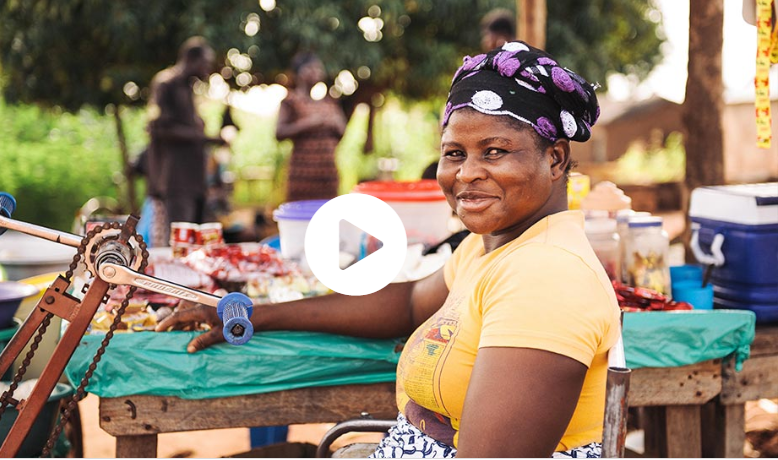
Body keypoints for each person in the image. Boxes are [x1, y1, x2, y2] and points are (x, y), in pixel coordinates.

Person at [157, 42, 619, 458]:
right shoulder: (495, 248)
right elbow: (408, 301)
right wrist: (254, 312)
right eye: (455, 153)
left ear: (555, 158)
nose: (467, 173)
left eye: (495, 151)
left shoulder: (546, 276)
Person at [147, 36, 226, 228]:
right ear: (192, 59)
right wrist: (206, 138)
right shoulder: (166, 84)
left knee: (194, 238)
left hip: (194, 181)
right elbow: (159, 129)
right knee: (180, 239)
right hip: (175, 180)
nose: (207, 70)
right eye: (205, 64)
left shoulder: (188, 87)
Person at [275, 52, 347, 202]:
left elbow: (342, 131)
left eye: (318, 68)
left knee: (327, 218)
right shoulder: (291, 101)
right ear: (299, 73)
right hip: (302, 177)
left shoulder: (329, 102)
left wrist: (335, 123)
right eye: (311, 68)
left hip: (328, 176)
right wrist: (309, 124)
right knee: (301, 220)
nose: (316, 72)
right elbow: (279, 132)